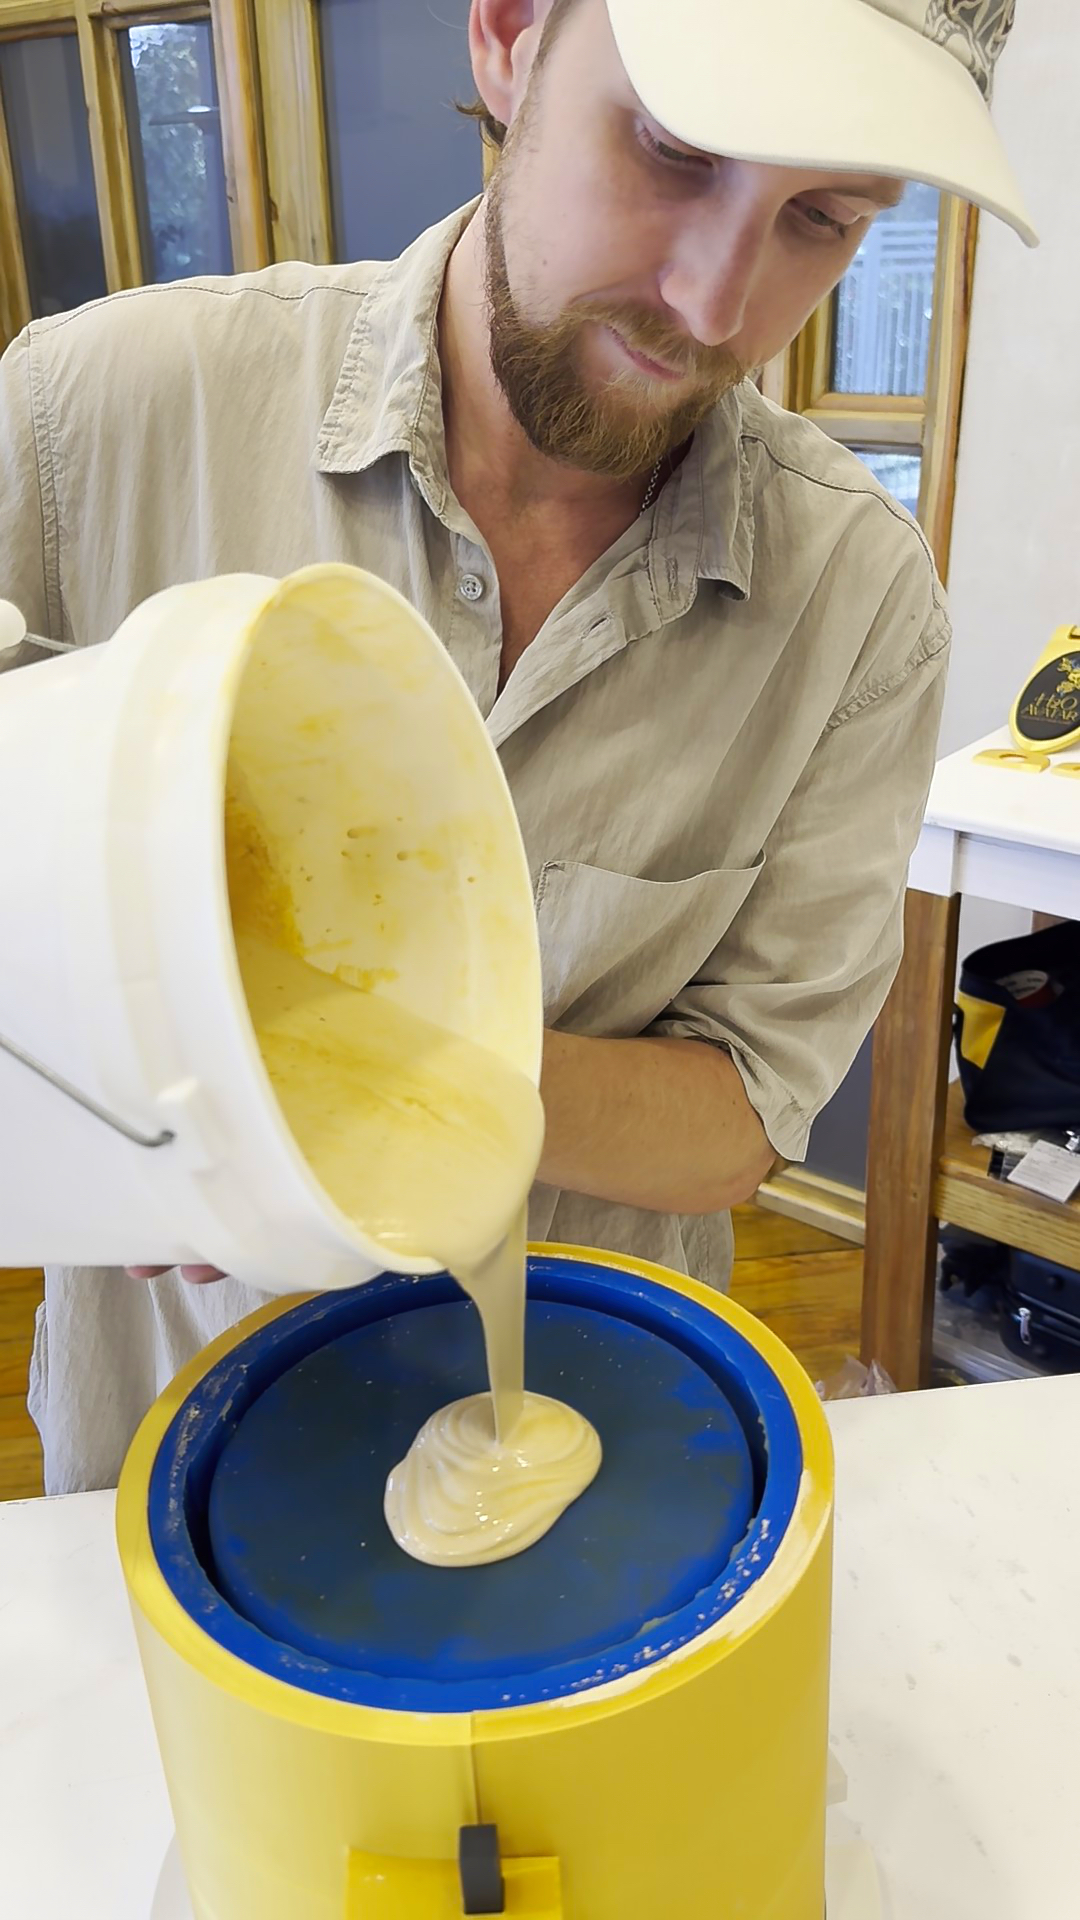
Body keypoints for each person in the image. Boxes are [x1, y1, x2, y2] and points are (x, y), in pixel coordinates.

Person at [0, 0, 1034, 1493]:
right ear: (506, 34)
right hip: (162, 1459)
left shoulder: (856, 606)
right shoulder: (88, 423)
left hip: (592, 1456)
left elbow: (743, 1117)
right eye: (672, 149)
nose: (712, 301)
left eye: (820, 216)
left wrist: (331, 1088)